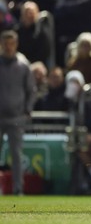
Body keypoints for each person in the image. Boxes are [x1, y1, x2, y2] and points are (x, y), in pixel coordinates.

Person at [0, 30, 36, 195]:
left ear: (16, 44)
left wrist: (27, 109)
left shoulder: (23, 64)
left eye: (11, 43)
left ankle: (17, 189)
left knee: (16, 155)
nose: (8, 47)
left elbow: (31, 90)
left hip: (16, 117)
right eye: (5, 43)